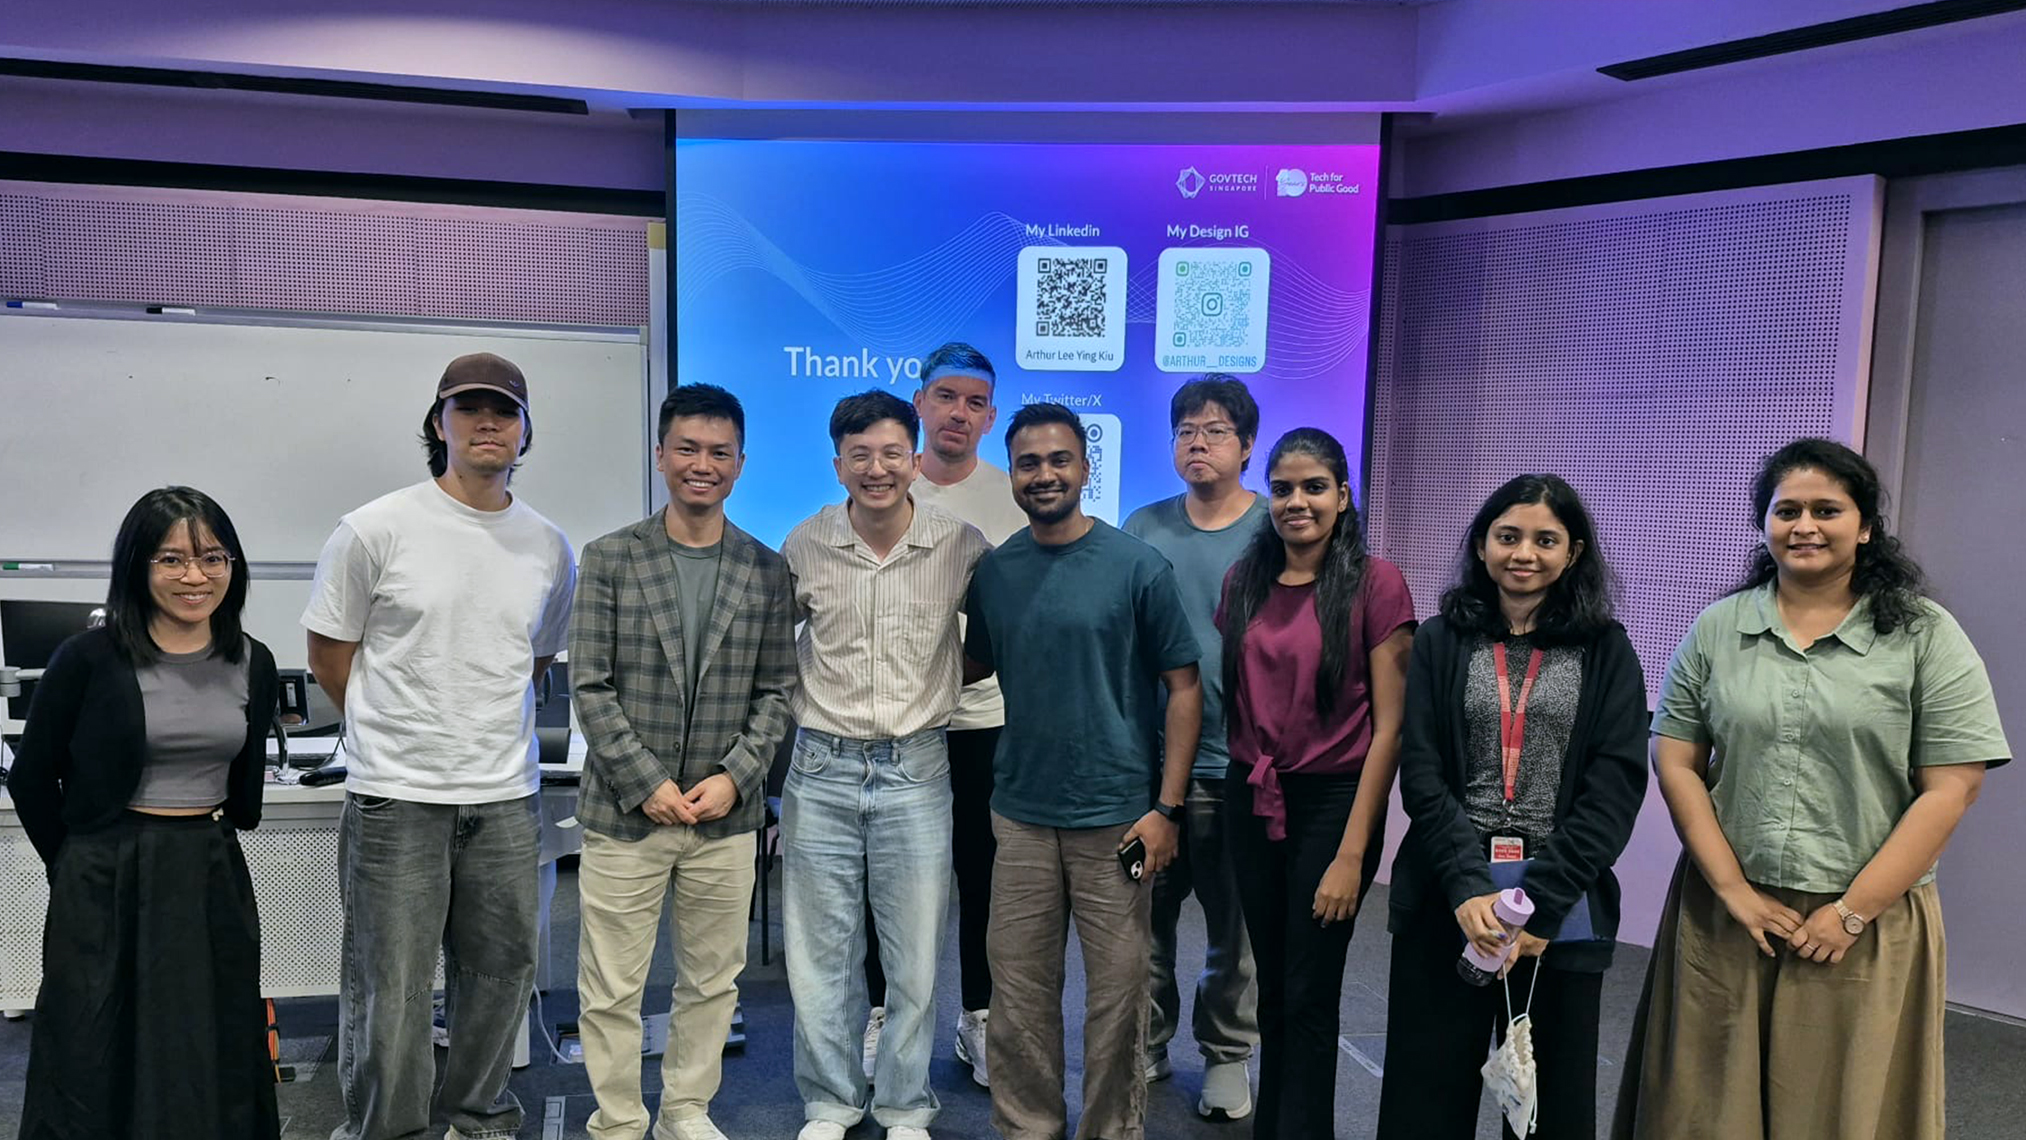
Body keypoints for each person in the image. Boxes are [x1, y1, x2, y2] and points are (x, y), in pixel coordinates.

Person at [1614, 439, 2010, 1140]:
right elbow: (1675, 759)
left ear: (1865, 526)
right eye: (1787, 510)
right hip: (1728, 914)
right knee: (1705, 1110)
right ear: (1764, 524)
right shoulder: (1719, 628)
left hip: (1864, 922)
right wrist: (1732, 890)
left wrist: (1852, 912)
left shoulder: (1926, 635)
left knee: (1839, 1110)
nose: (1805, 526)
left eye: (1827, 510)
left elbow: (1952, 788)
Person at [304, 352, 578, 1140]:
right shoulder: (374, 529)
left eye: (504, 410)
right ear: (439, 423)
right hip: (398, 797)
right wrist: (400, 731)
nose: (487, 422)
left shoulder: (548, 546)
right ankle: (387, 1130)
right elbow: (331, 656)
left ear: (525, 430)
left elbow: (533, 661)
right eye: (469, 408)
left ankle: (479, 1120)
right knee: (388, 988)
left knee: (500, 975)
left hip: (505, 796)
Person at [1376, 473, 1648, 1140]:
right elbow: (1423, 773)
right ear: (1482, 545)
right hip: (1450, 891)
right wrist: (1468, 889)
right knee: (1424, 1096)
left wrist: (1543, 904)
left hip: (1560, 901)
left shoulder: (1606, 649)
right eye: (1508, 536)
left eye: (1545, 540)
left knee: (1546, 1106)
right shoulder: (1441, 640)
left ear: (1572, 553)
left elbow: (1615, 787)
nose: (1524, 553)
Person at [963, 402, 1203, 1140]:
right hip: (1021, 816)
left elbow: (1184, 687)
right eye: (1028, 463)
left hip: (1117, 820)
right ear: (1013, 474)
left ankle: (1111, 1130)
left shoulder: (1137, 567)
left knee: (1118, 1001)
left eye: (1059, 460)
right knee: (1018, 996)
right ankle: (1028, 1128)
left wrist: (1166, 809)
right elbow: (969, 669)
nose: (1044, 475)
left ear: (1084, 468)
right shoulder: (996, 571)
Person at [11, 487, 280, 1140]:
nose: (195, 576)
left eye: (213, 558)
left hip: (209, 868)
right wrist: (72, 863)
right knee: (92, 1040)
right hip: (105, 869)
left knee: (208, 1036)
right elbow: (31, 776)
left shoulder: (253, 659)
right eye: (172, 559)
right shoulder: (87, 658)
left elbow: (242, 779)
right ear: (138, 565)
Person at [569, 383, 796, 1140]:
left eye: (720, 452)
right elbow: (590, 685)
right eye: (688, 449)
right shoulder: (609, 558)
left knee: (712, 981)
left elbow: (778, 690)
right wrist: (646, 782)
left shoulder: (766, 569)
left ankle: (685, 1111)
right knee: (611, 986)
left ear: (740, 463)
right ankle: (617, 1119)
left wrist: (737, 776)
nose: (703, 464)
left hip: (723, 817)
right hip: (626, 812)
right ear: (661, 454)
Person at [780, 389, 988, 1140]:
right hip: (821, 770)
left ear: (915, 459)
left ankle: (904, 1106)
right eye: (860, 455)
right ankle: (830, 1103)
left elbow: (992, 640)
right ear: (838, 464)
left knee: (914, 957)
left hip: (917, 770)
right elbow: (771, 650)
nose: (877, 469)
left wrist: (940, 683)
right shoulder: (805, 545)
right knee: (821, 955)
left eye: (892, 453)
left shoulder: (959, 545)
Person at [1213, 429, 1414, 1139]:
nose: (1296, 502)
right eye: (1283, 489)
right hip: (1252, 795)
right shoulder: (1244, 580)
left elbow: (1390, 729)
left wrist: (1352, 856)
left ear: (1343, 496)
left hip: (1334, 803)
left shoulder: (1376, 583)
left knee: (1309, 992)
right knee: (1274, 990)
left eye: (1314, 487)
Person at [1122, 375, 1269, 1117]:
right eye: (1185, 430)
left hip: (1239, 765)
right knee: (1143, 920)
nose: (1197, 442)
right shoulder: (1143, 526)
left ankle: (1226, 1055)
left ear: (1247, 445)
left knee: (1232, 929)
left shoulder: (1276, 526)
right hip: (1148, 766)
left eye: (1214, 430)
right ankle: (1145, 1044)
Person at [904, 341, 1033, 1088]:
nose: (959, 412)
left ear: (990, 417)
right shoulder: (886, 479)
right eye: (946, 396)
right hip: (901, 723)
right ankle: (887, 1019)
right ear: (920, 403)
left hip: (988, 721)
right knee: (896, 885)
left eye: (975, 402)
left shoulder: (1012, 496)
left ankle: (978, 1018)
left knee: (985, 881)